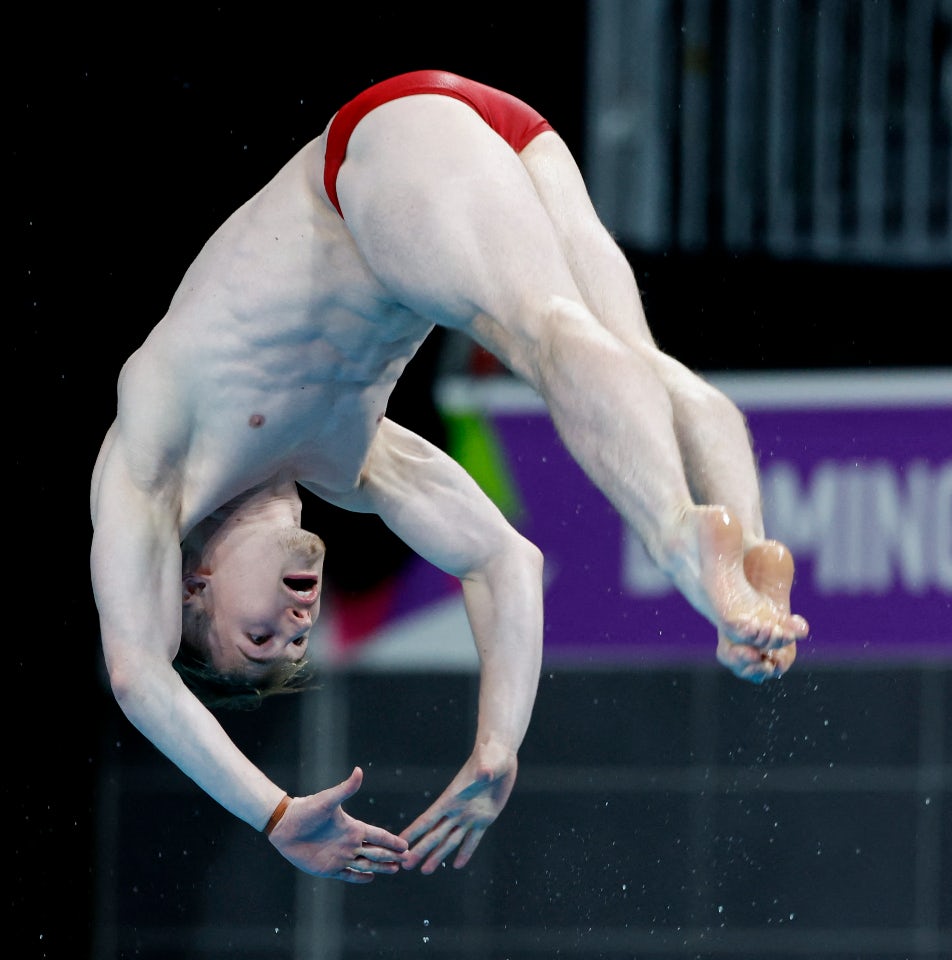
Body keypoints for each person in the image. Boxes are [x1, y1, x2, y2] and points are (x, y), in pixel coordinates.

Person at [89, 70, 809, 884]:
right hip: (497, 143)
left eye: (260, 635)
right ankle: (749, 551)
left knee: (541, 335)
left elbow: (138, 673)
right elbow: (503, 561)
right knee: (633, 360)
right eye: (297, 639)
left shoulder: (159, 455)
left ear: (193, 586)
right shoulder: (351, 459)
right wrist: (498, 746)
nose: (298, 620)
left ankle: (682, 538)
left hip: (379, 154)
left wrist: (276, 813)